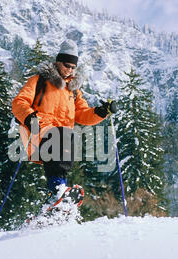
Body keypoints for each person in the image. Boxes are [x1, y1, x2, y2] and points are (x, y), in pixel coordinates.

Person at [12, 39, 117, 202]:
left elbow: (82, 114)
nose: (69, 70)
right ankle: (57, 191)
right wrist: (29, 117)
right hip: (37, 132)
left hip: (61, 141)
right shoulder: (39, 81)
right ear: (58, 62)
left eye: (73, 67)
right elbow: (19, 102)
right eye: (67, 65)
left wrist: (101, 112)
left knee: (66, 139)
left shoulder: (73, 91)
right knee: (60, 136)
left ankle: (58, 199)